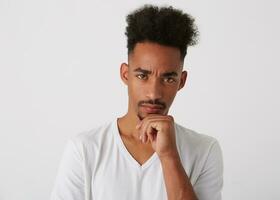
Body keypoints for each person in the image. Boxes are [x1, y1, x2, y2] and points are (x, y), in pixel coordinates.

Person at [50, 4, 223, 200]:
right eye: (142, 76)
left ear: (181, 81)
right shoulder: (84, 150)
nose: (153, 93)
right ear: (125, 74)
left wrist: (169, 157)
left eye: (168, 79)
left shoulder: (204, 151)